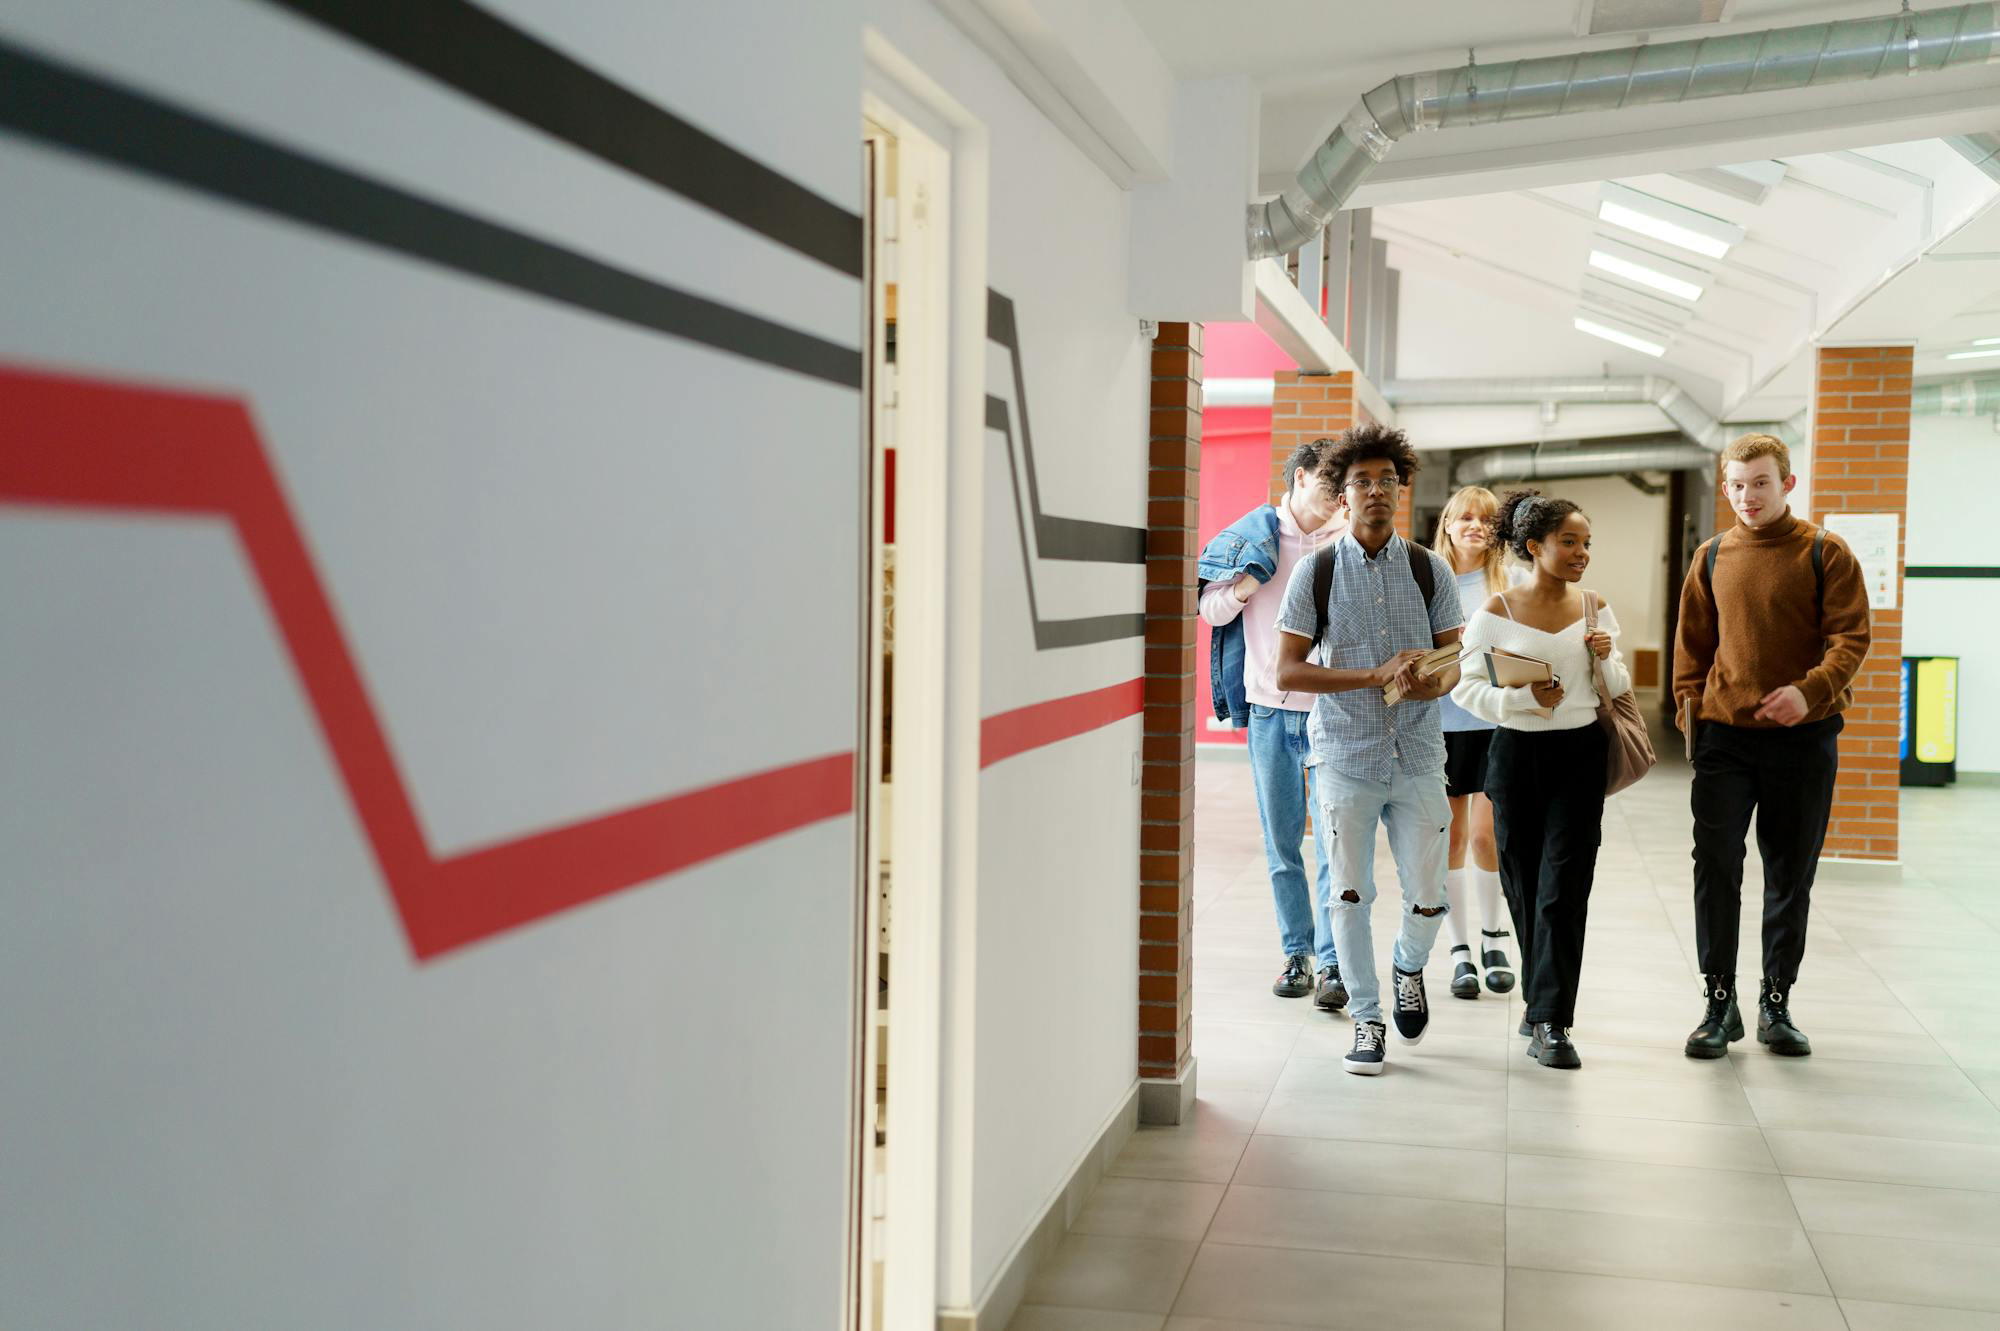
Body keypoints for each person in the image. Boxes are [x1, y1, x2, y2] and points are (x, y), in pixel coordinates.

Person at [1674, 433, 1870, 1059]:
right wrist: (1692, 721)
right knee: (1717, 871)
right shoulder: (1709, 558)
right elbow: (1691, 653)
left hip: (1803, 741)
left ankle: (1775, 1004)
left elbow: (1850, 639)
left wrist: (1808, 693)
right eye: (1736, 485)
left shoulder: (1824, 552)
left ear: (1787, 484)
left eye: (1760, 482)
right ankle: (1718, 1002)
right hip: (1725, 743)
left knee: (1789, 873)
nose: (1747, 496)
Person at [1275, 424, 1462, 1076]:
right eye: (1362, 481)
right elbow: (1288, 672)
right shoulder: (1315, 572)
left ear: (1400, 488)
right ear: (1341, 493)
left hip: (1418, 754)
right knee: (1349, 895)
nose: (1377, 490)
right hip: (1345, 757)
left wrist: (1425, 679)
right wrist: (1374, 674)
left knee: (1431, 894)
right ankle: (1367, 1016)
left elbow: (1453, 666)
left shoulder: (1428, 567)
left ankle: (1409, 965)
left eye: (1387, 479)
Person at [1451, 490, 1628, 1069]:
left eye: (1586, 544)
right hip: (1515, 757)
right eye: (1569, 542)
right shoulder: (1495, 613)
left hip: (1579, 757)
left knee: (1564, 890)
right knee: (1525, 888)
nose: (1581, 554)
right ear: (1535, 547)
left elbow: (1619, 685)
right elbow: (1465, 687)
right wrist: (1521, 697)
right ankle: (1539, 997)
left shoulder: (1595, 607)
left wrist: (1604, 656)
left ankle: (1552, 1020)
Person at [1197, 439, 1348, 1008]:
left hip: (1334, 714)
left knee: (1336, 843)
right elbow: (1209, 610)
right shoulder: (1254, 535)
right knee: (1282, 843)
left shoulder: (1349, 543)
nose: (1340, 493)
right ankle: (1298, 955)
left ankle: (1334, 963)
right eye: (1331, 480)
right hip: (1269, 711)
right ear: (1302, 476)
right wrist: (1247, 584)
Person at [1431, 486, 1516, 1000]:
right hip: (1438, 727)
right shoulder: (1427, 578)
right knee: (1451, 840)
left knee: (1487, 837)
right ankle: (1459, 948)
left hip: (1494, 725)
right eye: (1465, 517)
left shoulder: (1512, 581)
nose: (1475, 526)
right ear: (1447, 524)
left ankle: (1493, 935)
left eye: (1486, 520)